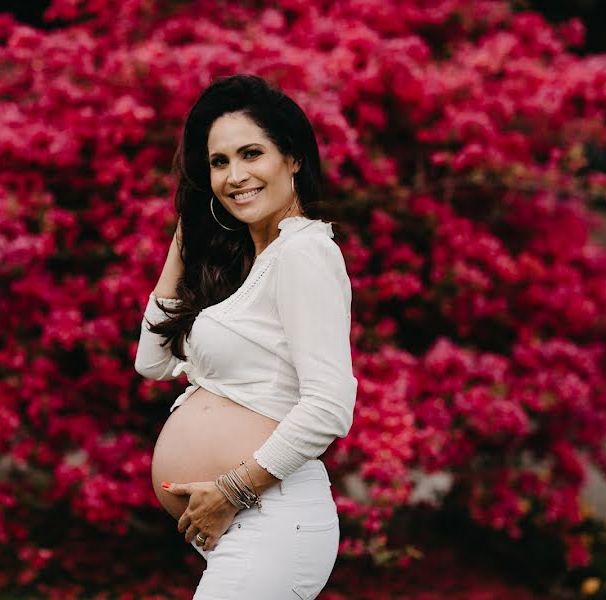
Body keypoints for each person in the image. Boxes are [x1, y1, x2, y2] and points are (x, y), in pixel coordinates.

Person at [134, 74, 358, 599]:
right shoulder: (255, 263)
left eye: (251, 154)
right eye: (219, 162)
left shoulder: (304, 252)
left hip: (271, 518)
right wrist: (186, 233)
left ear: (293, 158)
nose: (235, 176)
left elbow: (328, 406)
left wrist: (232, 491)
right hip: (251, 523)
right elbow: (152, 361)